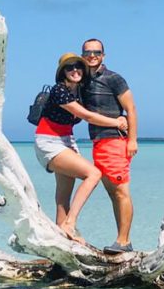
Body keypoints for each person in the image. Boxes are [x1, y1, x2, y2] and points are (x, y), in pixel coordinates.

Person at [34, 52, 128, 244]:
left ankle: (60, 242)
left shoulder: (79, 91)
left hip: (67, 140)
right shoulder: (59, 91)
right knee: (93, 174)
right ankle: (70, 223)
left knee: (63, 197)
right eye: (69, 67)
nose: (75, 70)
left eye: (78, 66)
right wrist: (117, 123)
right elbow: (88, 116)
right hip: (49, 142)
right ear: (62, 72)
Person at [80, 38, 138, 254]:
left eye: (96, 52)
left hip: (115, 140)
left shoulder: (113, 78)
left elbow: (131, 109)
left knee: (121, 191)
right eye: (88, 52)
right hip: (98, 142)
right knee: (113, 193)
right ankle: (121, 240)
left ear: (103, 55)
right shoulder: (84, 80)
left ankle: (124, 242)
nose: (92, 55)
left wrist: (132, 139)